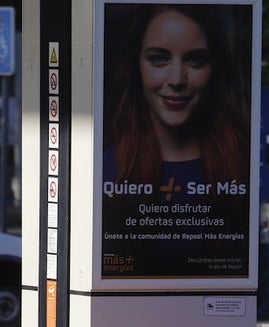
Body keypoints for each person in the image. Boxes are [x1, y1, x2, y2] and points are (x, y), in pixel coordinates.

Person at [103, 4, 250, 193]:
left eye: (195, 60)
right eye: (158, 58)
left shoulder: (244, 169)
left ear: (216, 69)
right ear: (136, 66)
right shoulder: (104, 172)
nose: (176, 80)